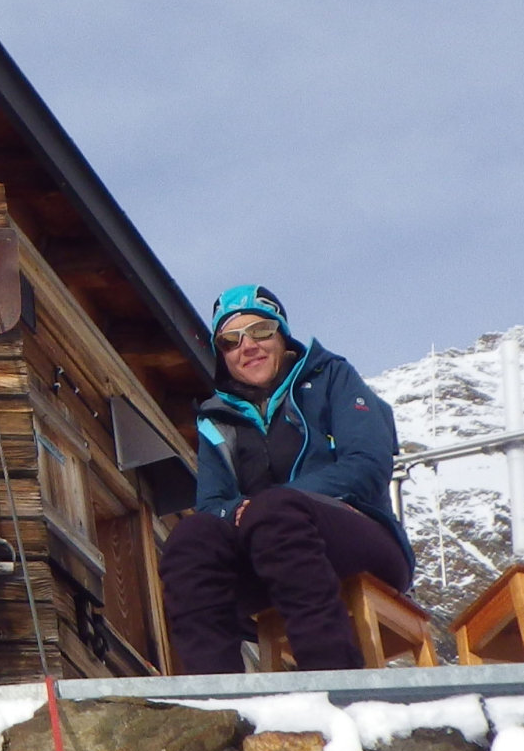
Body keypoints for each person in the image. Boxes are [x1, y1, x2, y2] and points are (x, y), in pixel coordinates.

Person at [160, 284, 414, 674]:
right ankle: (218, 695)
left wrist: (273, 502)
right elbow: (212, 504)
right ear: (222, 354)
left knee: (274, 509)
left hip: (360, 540)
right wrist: (247, 510)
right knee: (190, 537)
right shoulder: (216, 418)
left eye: (261, 331)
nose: (248, 346)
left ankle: (333, 677)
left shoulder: (331, 377)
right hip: (268, 555)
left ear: (283, 335)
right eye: (230, 340)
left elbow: (367, 464)